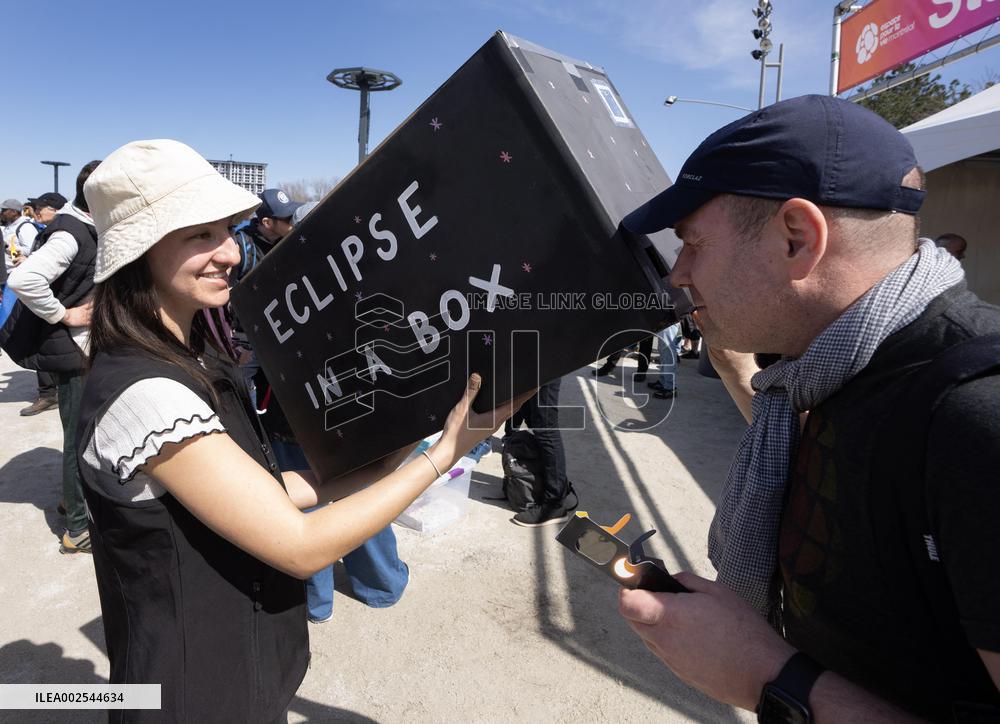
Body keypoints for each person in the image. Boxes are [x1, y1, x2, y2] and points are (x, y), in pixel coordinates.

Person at [76, 139, 525, 721]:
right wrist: (445, 452)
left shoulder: (187, 356)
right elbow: (300, 546)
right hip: (194, 694)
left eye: (225, 230)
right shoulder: (148, 396)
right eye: (198, 236)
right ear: (139, 253)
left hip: (235, 669)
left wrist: (385, 459)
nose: (228, 253)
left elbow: (266, 494)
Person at [617, 95, 1000, 721]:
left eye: (693, 244)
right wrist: (737, 365)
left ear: (797, 238)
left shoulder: (978, 414)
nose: (678, 273)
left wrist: (768, 677)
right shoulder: (831, 369)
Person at [231, 190, 410, 625]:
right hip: (354, 408)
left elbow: (254, 350)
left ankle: (317, 601)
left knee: (305, 501)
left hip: (294, 410)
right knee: (363, 495)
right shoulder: (373, 266)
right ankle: (381, 584)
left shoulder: (271, 279)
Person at [6, 164, 101, 553]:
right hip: (74, 349)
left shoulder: (84, 226)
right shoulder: (70, 233)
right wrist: (65, 314)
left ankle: (70, 499)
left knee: (79, 435)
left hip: (79, 348)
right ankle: (77, 528)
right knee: (80, 439)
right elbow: (23, 280)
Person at [16, 192, 69, 416]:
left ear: (56, 210)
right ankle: (48, 393)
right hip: (47, 300)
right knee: (43, 346)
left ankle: (50, 394)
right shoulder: (49, 232)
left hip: (58, 301)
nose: (36, 211)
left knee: (52, 347)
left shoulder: (63, 235)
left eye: (41, 208)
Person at [504, 378, 577, 527]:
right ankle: (541, 485)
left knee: (545, 427)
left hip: (545, 365)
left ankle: (553, 504)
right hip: (532, 365)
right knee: (531, 415)